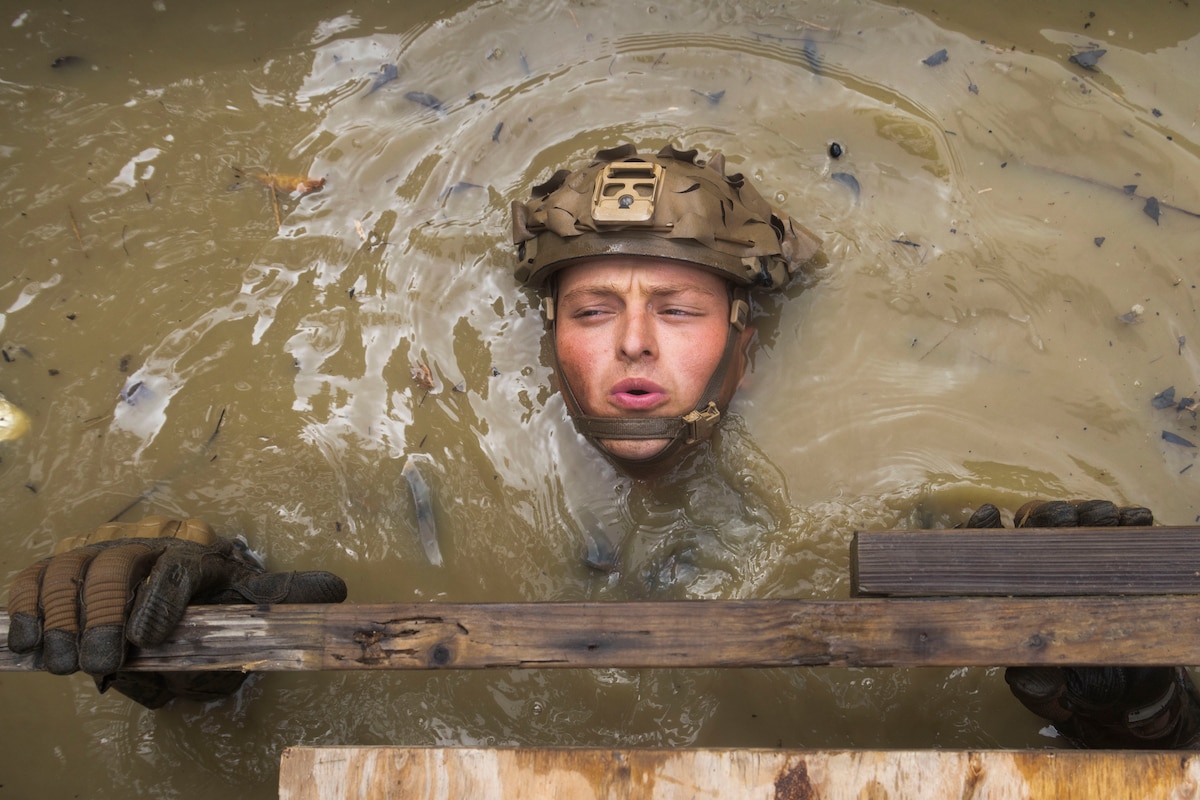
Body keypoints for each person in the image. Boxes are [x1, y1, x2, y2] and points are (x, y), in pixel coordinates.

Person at [6, 143, 1199, 746]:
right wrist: (191, 632)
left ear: (743, 342)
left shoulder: (904, 499)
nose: (634, 343)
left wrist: (1135, 709)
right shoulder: (390, 470)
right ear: (545, 339)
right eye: (591, 310)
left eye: (677, 311)